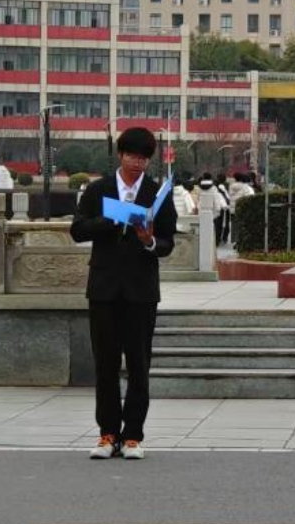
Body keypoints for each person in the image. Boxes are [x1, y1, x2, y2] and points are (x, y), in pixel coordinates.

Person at [70, 127, 177, 460]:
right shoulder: (98, 189)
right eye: (132, 156)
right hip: (104, 289)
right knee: (105, 364)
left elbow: (167, 242)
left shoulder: (156, 193)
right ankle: (107, 434)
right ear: (120, 154)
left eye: (143, 158)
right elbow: (77, 230)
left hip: (141, 291)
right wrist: (113, 220)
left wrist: (148, 240)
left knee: (139, 365)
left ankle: (132, 436)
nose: (137, 163)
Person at [194, 173, 228, 247]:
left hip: (202, 210)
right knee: (213, 227)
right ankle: (213, 242)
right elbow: (216, 198)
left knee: (203, 227)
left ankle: (203, 241)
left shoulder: (200, 187)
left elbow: (198, 199)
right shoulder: (213, 187)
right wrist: (218, 208)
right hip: (212, 210)